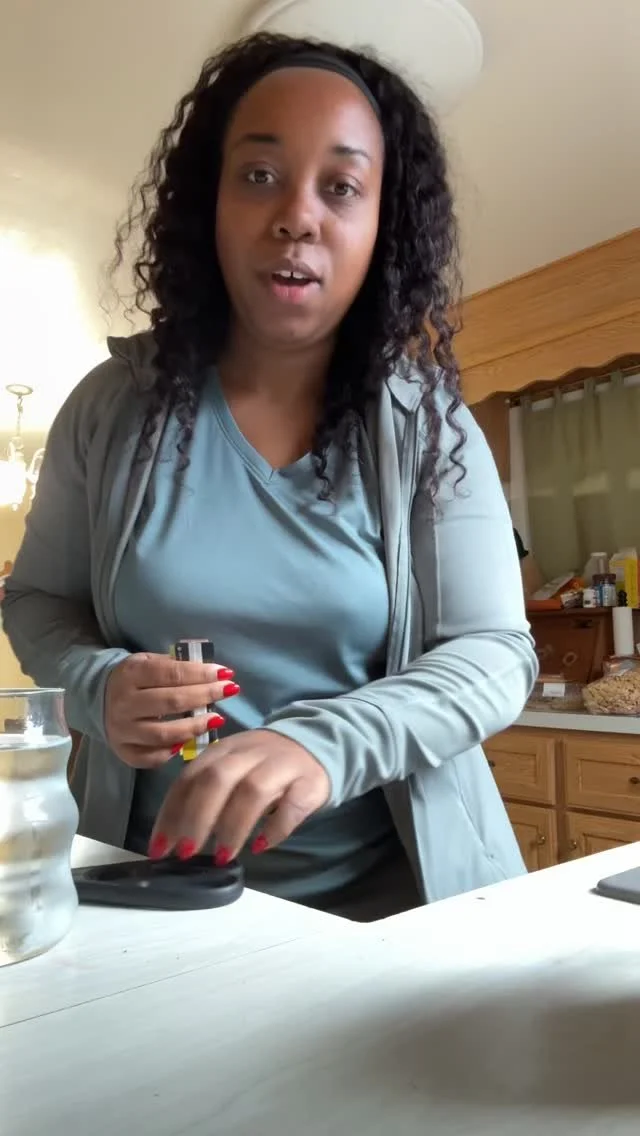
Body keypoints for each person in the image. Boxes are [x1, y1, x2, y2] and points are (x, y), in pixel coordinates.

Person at [2, 33, 538, 921]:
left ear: (381, 226)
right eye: (259, 176)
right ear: (207, 203)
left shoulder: (430, 426)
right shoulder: (108, 408)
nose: (297, 216)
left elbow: (494, 653)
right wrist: (97, 686)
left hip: (396, 919)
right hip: (154, 905)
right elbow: (35, 601)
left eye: (342, 187)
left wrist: (327, 743)